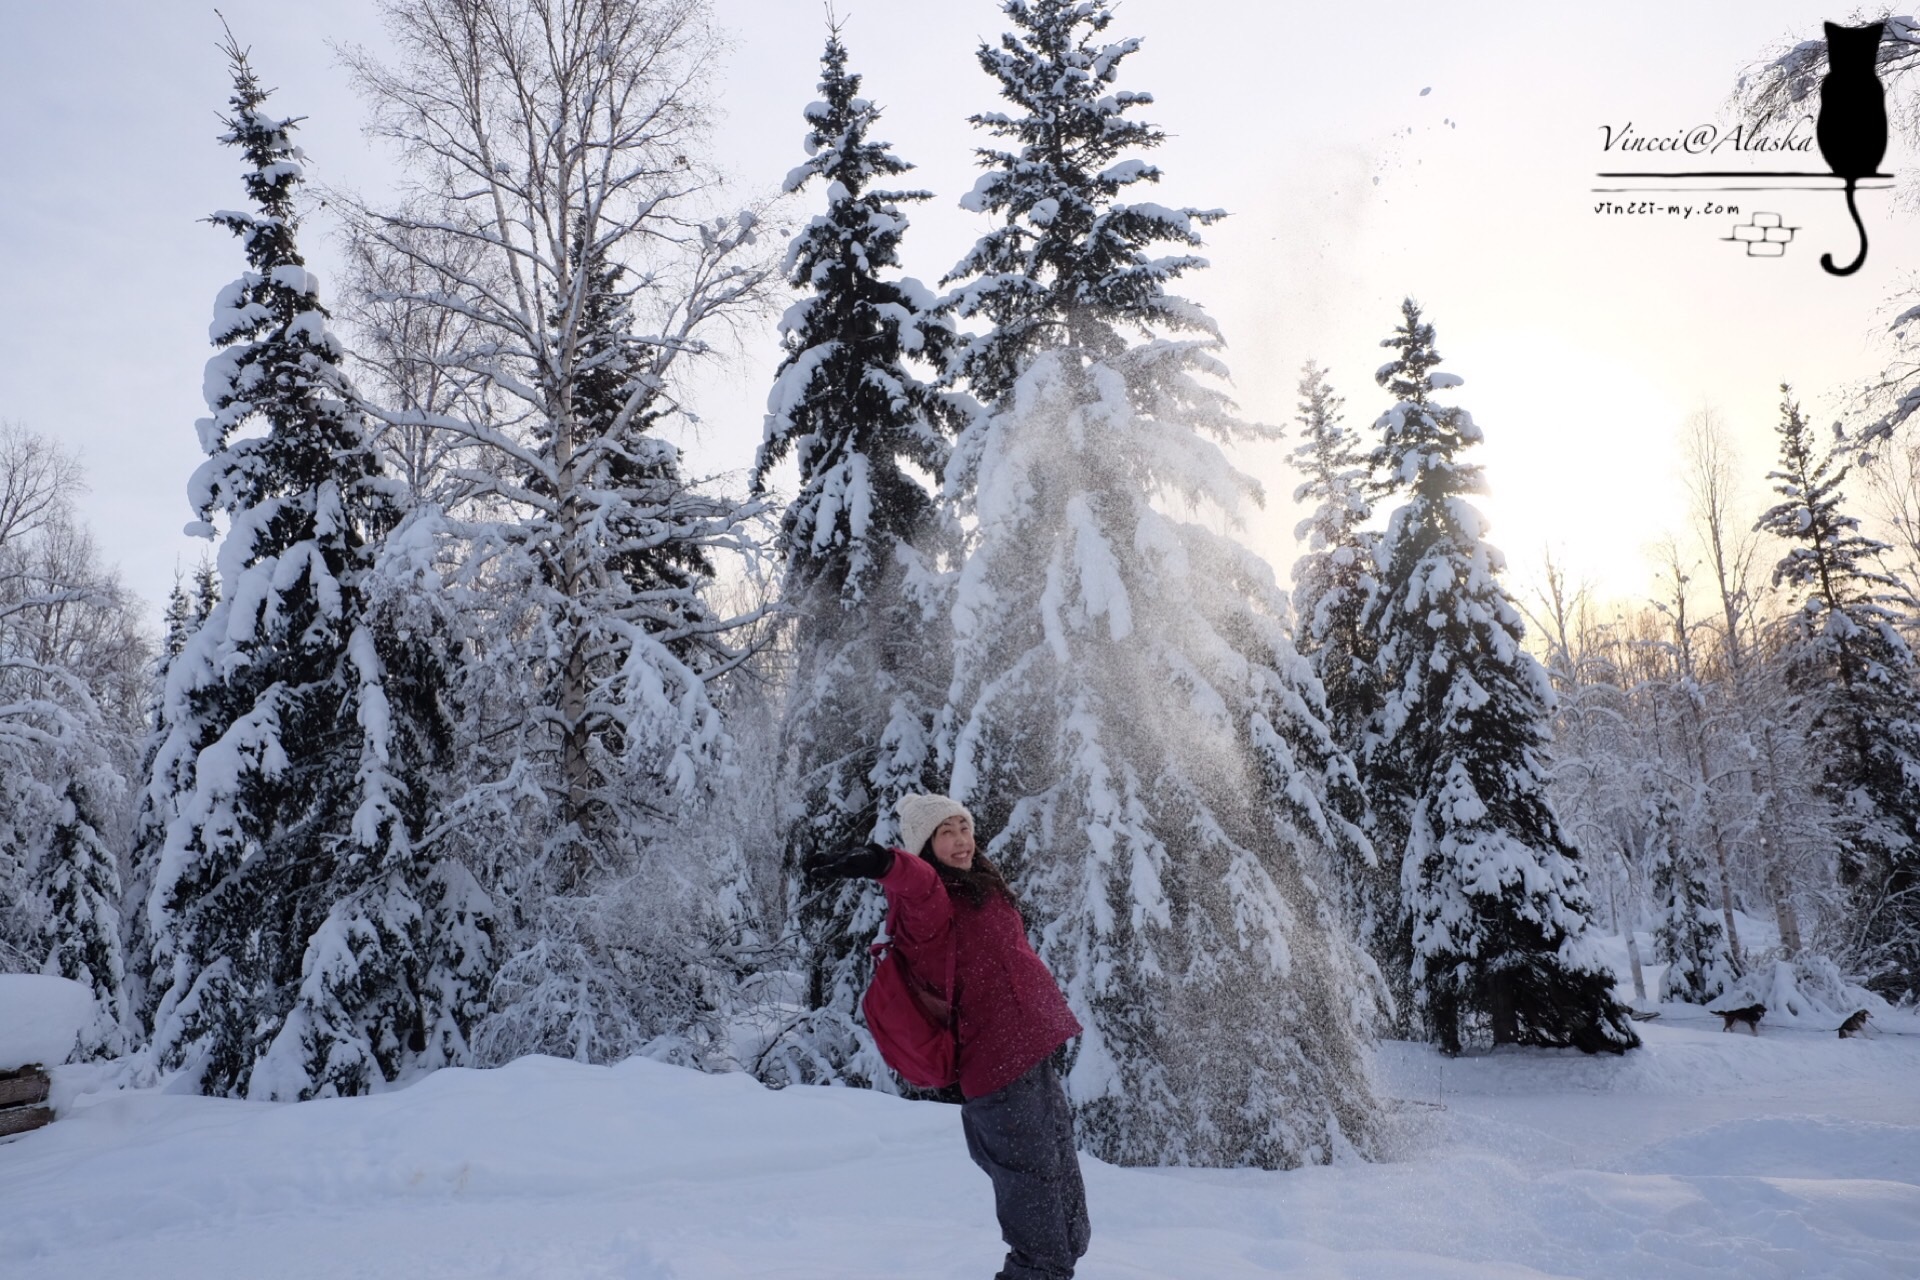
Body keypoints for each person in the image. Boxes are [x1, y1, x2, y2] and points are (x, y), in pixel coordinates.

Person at [805, 793, 1091, 1280]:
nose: (961, 840)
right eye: (945, 832)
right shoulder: (929, 907)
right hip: (996, 1068)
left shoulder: (980, 884)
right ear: (925, 846)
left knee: (1066, 1213)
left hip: (1029, 1055)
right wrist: (880, 862)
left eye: (964, 826)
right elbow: (915, 884)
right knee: (1037, 1213)